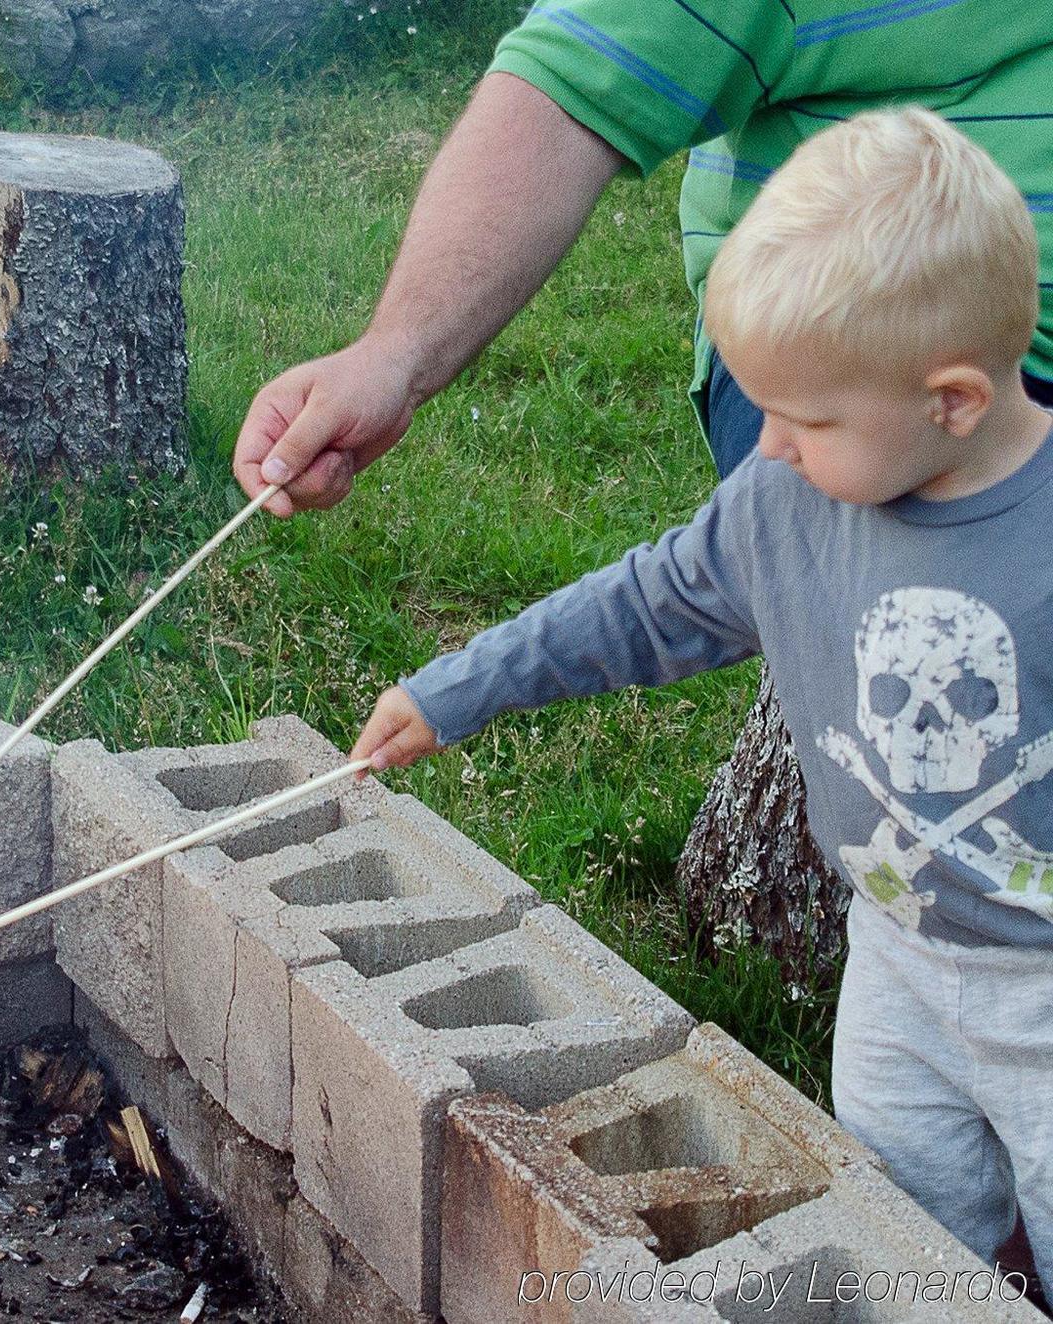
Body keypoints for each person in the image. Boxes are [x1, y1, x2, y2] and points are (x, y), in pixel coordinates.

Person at [349, 109, 1051, 1272]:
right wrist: (453, 690)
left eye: (803, 417)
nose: (764, 446)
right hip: (899, 967)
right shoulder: (784, 506)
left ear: (953, 401)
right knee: (909, 1230)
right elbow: (635, 609)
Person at [233, 5, 1053, 510]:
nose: (771, 449)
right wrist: (392, 356)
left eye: (792, 427)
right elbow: (565, 90)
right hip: (862, 351)